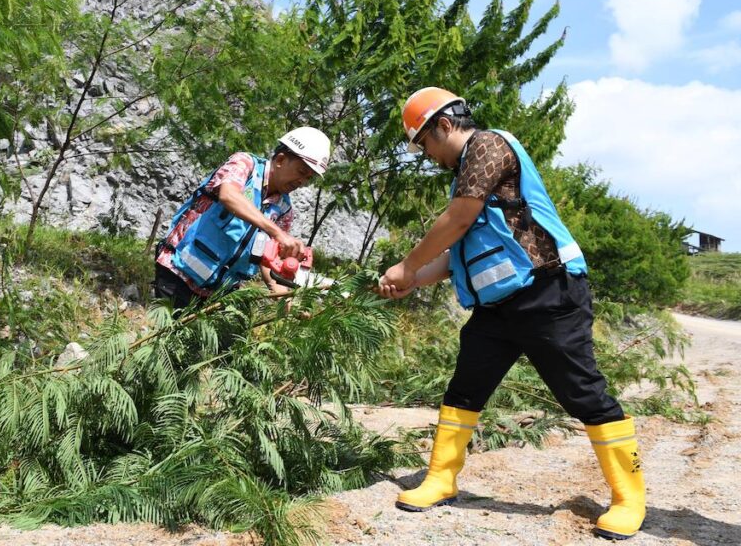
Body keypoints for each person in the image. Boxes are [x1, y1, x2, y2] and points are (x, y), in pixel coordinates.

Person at [375, 87, 645, 540]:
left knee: (582, 393)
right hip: (496, 307)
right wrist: (413, 279)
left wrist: (407, 263)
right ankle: (441, 479)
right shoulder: (465, 175)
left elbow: (458, 221)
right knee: (465, 389)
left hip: (549, 291)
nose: (427, 156)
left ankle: (628, 497)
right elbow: (461, 251)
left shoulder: (488, 146)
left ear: (443, 125)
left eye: (424, 144)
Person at [153, 127, 331, 309]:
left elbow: (270, 261)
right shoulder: (245, 165)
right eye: (301, 172)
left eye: (309, 178)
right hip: (178, 273)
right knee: (170, 335)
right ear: (280, 159)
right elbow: (228, 195)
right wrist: (277, 232)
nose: (302, 182)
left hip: (217, 295)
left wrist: (283, 300)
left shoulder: (284, 210)